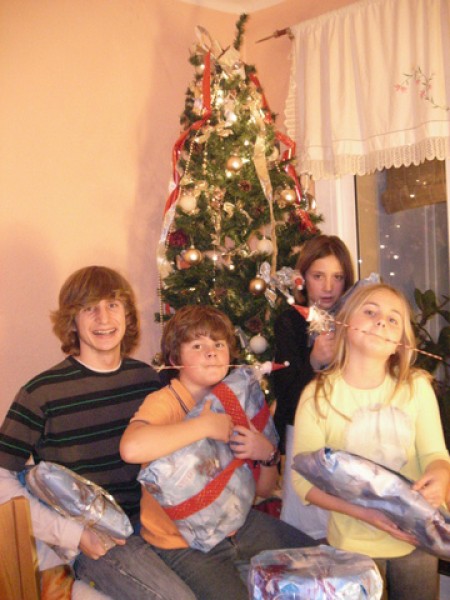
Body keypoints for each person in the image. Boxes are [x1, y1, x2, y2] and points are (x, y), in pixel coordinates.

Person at [0, 266, 196, 600]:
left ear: (127, 315)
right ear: (72, 321)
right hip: (99, 540)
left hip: (155, 525)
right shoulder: (41, 393)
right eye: (89, 308)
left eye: (113, 305)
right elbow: (2, 477)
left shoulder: (146, 380)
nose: (103, 318)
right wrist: (73, 535)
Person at [120, 305, 316, 600]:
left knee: (322, 562)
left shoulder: (237, 398)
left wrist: (267, 455)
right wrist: (204, 426)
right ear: (175, 359)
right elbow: (131, 448)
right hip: (180, 543)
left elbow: (263, 489)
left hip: (239, 525)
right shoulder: (165, 402)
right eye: (197, 346)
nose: (211, 352)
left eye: (219, 344)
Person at [292, 282, 450, 600]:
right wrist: (365, 514)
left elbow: (436, 453)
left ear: (400, 343)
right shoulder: (317, 396)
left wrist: (441, 473)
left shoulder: (417, 388)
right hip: (352, 548)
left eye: (393, 319)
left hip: (417, 541)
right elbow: (302, 481)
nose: (381, 322)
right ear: (345, 324)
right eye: (370, 312)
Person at [272, 234, 355, 538]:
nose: (328, 287)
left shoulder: (354, 320)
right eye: (319, 276)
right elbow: (287, 397)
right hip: (304, 432)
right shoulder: (290, 322)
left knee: (345, 518)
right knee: (307, 524)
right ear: (303, 278)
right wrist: (314, 362)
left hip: (346, 431)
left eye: (338, 277)